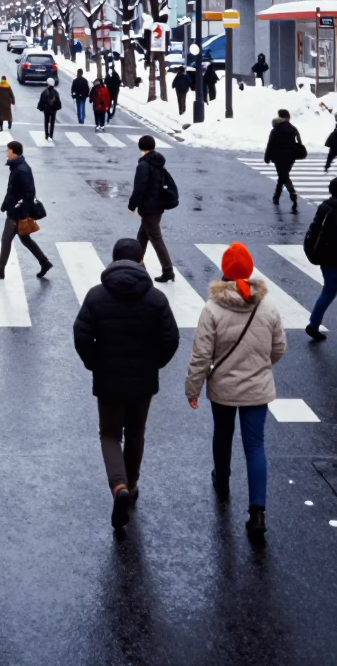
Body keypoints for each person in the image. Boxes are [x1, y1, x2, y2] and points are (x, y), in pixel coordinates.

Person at [73, 237, 179, 531]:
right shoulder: (156, 298)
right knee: (135, 433)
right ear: (141, 262)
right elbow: (171, 339)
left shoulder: (96, 296)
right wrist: (154, 363)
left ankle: (117, 485)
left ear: (113, 260)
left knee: (109, 435)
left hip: (108, 378)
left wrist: (95, 362)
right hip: (143, 380)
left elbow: (81, 335)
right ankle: (130, 487)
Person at [185, 242, 286, 540]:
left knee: (223, 433)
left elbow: (201, 355)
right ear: (250, 269)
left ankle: (223, 479)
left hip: (223, 388)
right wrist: (261, 366)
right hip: (258, 388)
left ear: (224, 272)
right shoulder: (266, 306)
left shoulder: (213, 307)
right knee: (255, 446)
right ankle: (257, 512)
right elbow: (279, 347)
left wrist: (193, 388)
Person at [0, 140, 52, 280]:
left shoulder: (21, 170)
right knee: (25, 239)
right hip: (16, 210)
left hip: (17, 213)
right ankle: (44, 262)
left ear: (14, 152)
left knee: (6, 239)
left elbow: (29, 192)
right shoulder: (18, 167)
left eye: (7, 150)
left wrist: (22, 212)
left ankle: (0, 269)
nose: (6, 153)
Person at [128, 134, 176, 283]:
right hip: (157, 206)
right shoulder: (158, 162)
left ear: (141, 148)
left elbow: (139, 188)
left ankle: (168, 269)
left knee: (155, 238)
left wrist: (131, 206)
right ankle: (137, 264)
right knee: (142, 237)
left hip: (149, 208)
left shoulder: (144, 165)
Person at [304, 179, 337, 341]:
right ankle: (313, 325)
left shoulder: (325, 207)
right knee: (329, 292)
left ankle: (314, 324)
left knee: (328, 292)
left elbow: (315, 228)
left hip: (326, 257)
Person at [264, 108, 303, 213]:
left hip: (278, 157)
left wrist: (267, 157)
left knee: (283, 176)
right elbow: (299, 142)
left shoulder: (275, 129)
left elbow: (270, 144)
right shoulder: (293, 128)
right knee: (283, 176)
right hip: (290, 157)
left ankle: (292, 195)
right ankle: (276, 197)